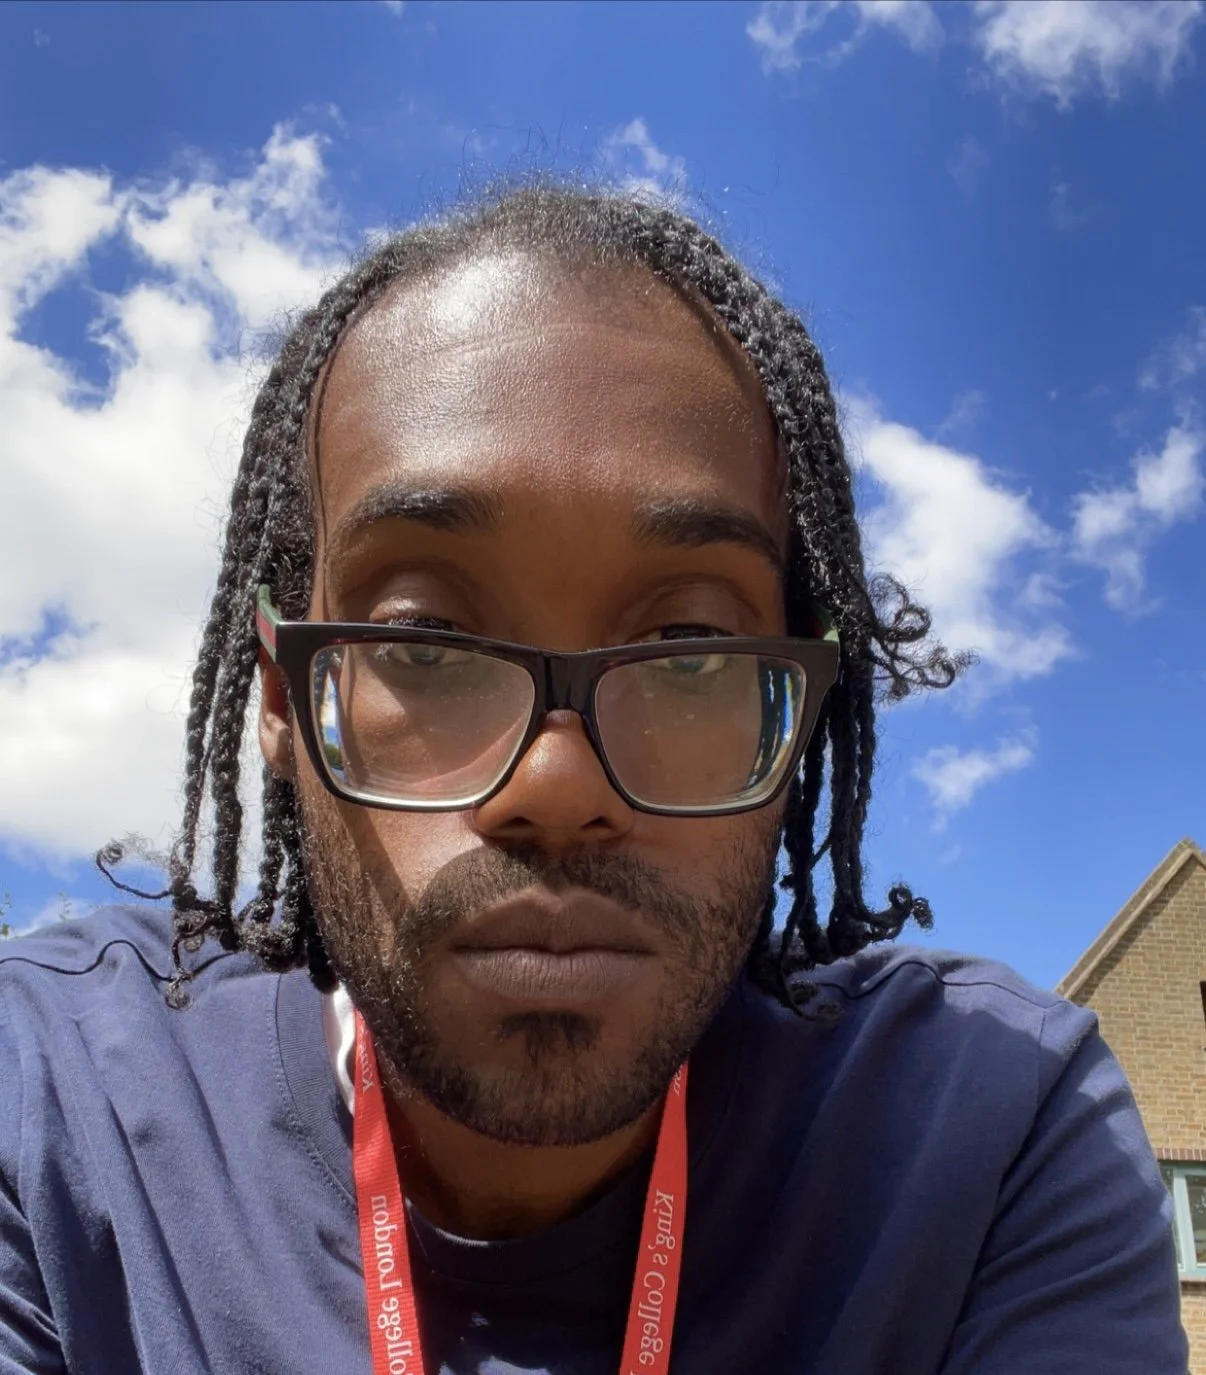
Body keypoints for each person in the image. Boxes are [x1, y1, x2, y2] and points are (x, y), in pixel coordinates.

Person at [0, 186, 1186, 1375]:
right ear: (280, 699)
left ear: (798, 720)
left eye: (689, 650)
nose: (558, 782)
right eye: (424, 640)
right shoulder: (49, 1103)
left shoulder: (989, 1137)